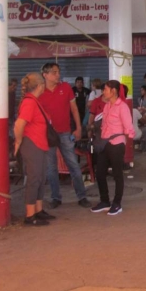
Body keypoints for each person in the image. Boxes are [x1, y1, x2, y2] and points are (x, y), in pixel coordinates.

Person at [38, 63, 90, 209]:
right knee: (51, 167)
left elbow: (74, 109)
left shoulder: (66, 87)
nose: (58, 75)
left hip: (65, 132)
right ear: (45, 75)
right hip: (48, 134)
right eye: (54, 72)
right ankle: (56, 197)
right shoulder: (40, 91)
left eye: (58, 72)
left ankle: (82, 196)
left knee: (73, 164)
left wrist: (78, 128)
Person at [14, 73, 56, 226]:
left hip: (39, 144)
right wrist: (18, 140)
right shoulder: (29, 102)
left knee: (40, 177)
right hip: (32, 144)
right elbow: (19, 124)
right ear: (39, 86)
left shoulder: (34, 101)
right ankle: (30, 214)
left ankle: (38, 210)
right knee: (34, 179)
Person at [90, 80, 135, 216]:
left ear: (113, 91)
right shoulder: (107, 106)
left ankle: (117, 203)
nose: (103, 92)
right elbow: (104, 124)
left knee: (117, 174)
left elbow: (129, 127)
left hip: (117, 144)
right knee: (100, 173)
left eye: (105, 89)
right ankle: (105, 201)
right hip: (105, 143)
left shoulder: (122, 107)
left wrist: (127, 143)